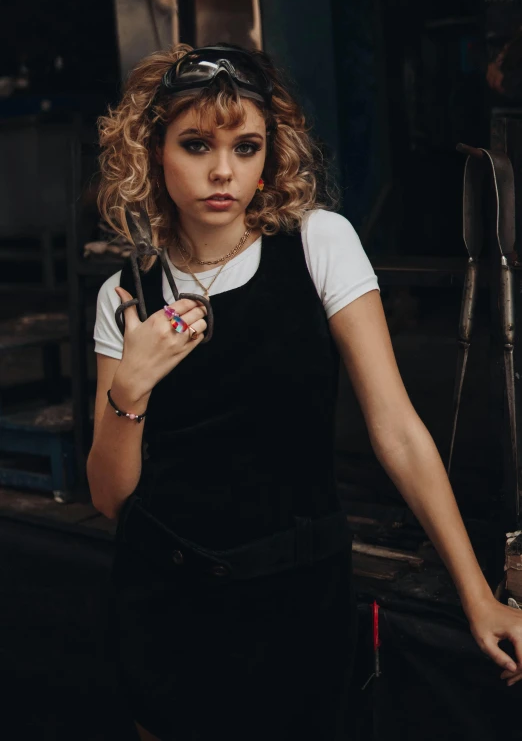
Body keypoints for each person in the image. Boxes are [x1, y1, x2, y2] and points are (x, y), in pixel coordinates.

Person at [87, 43, 522, 741]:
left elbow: (398, 429)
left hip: (300, 602)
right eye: (196, 144)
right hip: (168, 610)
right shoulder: (125, 295)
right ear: (152, 151)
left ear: (270, 157)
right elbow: (111, 497)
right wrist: (131, 384)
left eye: (246, 145)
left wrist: (479, 595)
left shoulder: (318, 243)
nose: (223, 169)